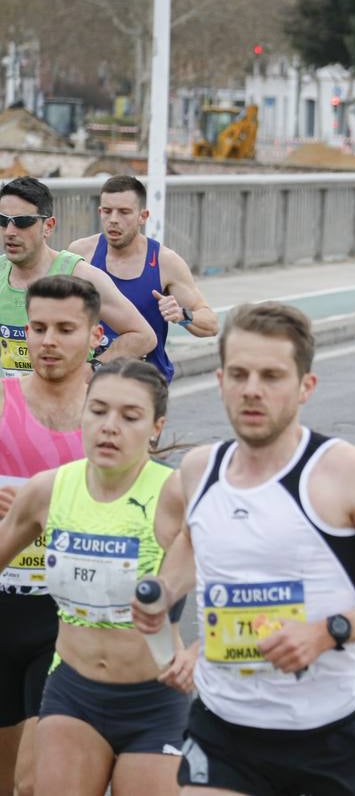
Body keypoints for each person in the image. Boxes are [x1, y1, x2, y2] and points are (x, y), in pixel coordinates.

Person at [135, 301, 355, 796]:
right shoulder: (197, 473)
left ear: (306, 387)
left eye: (271, 375)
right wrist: (160, 598)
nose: (252, 389)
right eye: (238, 374)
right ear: (219, 381)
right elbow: (194, 547)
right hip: (222, 728)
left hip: (327, 732)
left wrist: (329, 631)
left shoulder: (345, 472)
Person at [0, 359, 188, 795]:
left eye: (130, 416)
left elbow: (235, 573)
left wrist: (206, 653)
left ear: (156, 427)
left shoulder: (175, 493)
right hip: (73, 691)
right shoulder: (48, 490)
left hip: (153, 698)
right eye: (98, 410)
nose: (109, 426)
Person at [0, 275, 99, 796]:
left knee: (35, 782)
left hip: (67, 616)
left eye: (65, 329)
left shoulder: (108, 413)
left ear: (94, 334)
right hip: (2, 604)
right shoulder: (2, 398)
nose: (48, 341)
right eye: (37, 328)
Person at [67, 175, 218, 383]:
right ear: (100, 212)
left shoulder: (166, 262)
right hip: (93, 378)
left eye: (124, 212)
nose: (114, 220)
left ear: (143, 216)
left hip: (145, 383)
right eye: (107, 211)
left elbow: (211, 324)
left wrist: (182, 314)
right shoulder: (81, 253)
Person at [2, 177, 154, 376]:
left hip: (65, 403)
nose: (10, 232)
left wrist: (94, 368)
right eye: (2, 221)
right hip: (11, 402)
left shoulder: (80, 276)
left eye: (22, 222)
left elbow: (143, 337)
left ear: (48, 225)